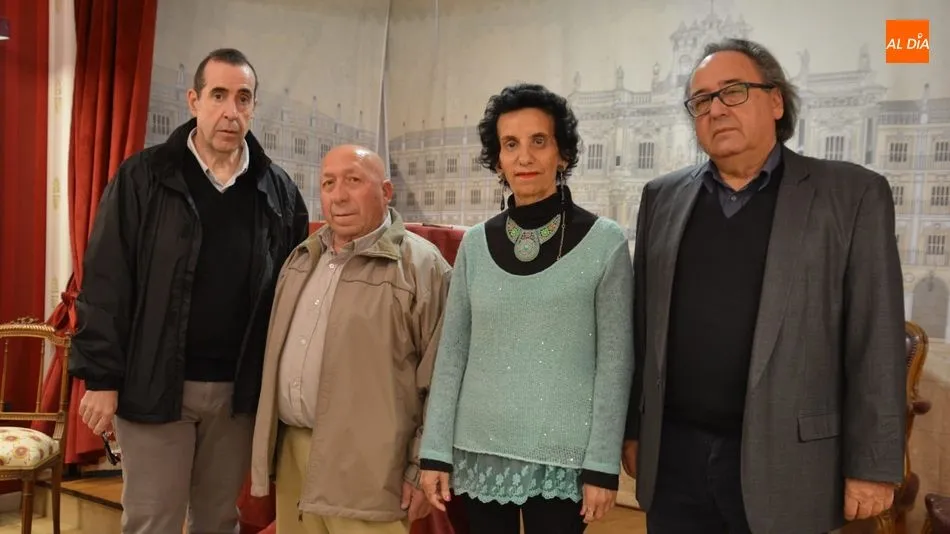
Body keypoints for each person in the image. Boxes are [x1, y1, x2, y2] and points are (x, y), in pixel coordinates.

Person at [622, 37, 906, 534]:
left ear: (776, 101)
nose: (716, 109)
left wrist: (873, 464)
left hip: (791, 461)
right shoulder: (661, 198)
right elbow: (642, 330)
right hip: (676, 459)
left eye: (733, 91)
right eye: (702, 100)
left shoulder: (851, 195)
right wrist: (632, 431)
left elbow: (874, 340)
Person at [70, 48, 310, 534]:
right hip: (154, 383)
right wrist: (101, 378)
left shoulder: (278, 190)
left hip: (238, 393)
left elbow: (293, 295)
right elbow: (107, 281)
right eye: (218, 95)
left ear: (253, 107)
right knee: (153, 520)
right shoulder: (144, 177)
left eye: (243, 98)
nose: (231, 111)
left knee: (219, 520)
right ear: (193, 100)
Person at [418, 83, 635, 534]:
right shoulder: (475, 245)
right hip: (478, 451)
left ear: (564, 153)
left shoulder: (605, 243)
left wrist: (601, 465)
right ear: (497, 159)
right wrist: (435, 450)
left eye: (539, 141)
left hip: (564, 459)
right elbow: (452, 354)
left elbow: (616, 364)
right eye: (510, 144)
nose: (524, 157)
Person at [248, 144, 452, 534]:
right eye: (328, 183)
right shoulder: (300, 259)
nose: (338, 195)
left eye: (353, 181)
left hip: (372, 473)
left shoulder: (423, 268)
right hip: (294, 458)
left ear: (386, 191)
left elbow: (442, 381)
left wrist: (421, 466)